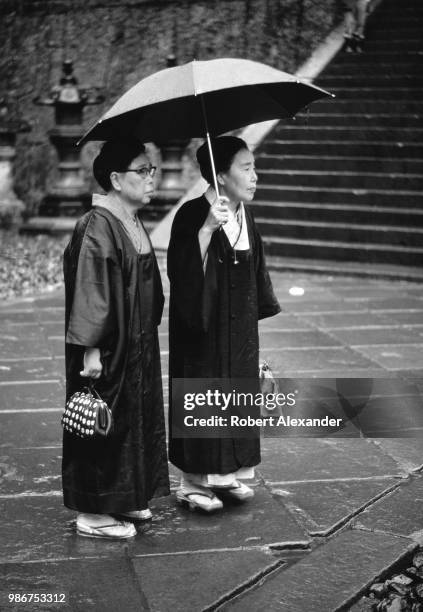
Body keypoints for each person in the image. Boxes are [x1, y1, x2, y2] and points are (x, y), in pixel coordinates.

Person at [63, 138, 170, 538]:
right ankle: (92, 512)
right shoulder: (98, 225)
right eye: (141, 171)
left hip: (136, 341)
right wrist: (90, 349)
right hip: (107, 346)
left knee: (132, 417)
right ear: (115, 178)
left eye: (152, 170)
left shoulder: (129, 219)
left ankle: (125, 496)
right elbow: (90, 290)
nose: (150, 178)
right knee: (103, 420)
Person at [167, 136, 281, 512]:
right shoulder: (191, 214)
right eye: (246, 169)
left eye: (253, 168)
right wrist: (205, 231)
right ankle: (193, 482)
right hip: (205, 329)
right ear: (220, 175)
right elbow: (180, 276)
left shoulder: (245, 214)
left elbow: (254, 270)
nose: (255, 177)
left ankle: (229, 474)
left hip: (240, 327)